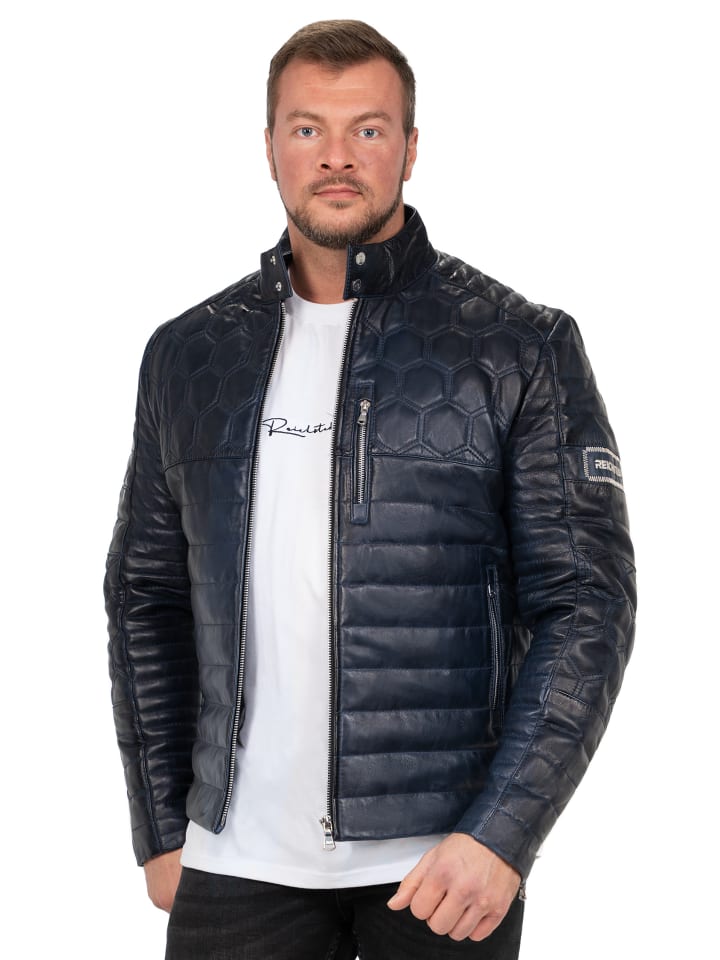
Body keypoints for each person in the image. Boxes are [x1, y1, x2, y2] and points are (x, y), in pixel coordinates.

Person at [105, 19, 636, 960]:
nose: (337, 156)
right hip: (234, 862)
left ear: (411, 148)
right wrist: (159, 822)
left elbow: (586, 604)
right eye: (308, 128)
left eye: (369, 129)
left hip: (441, 869)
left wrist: (503, 833)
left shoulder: (517, 347)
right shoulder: (189, 355)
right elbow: (145, 594)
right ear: (270, 146)